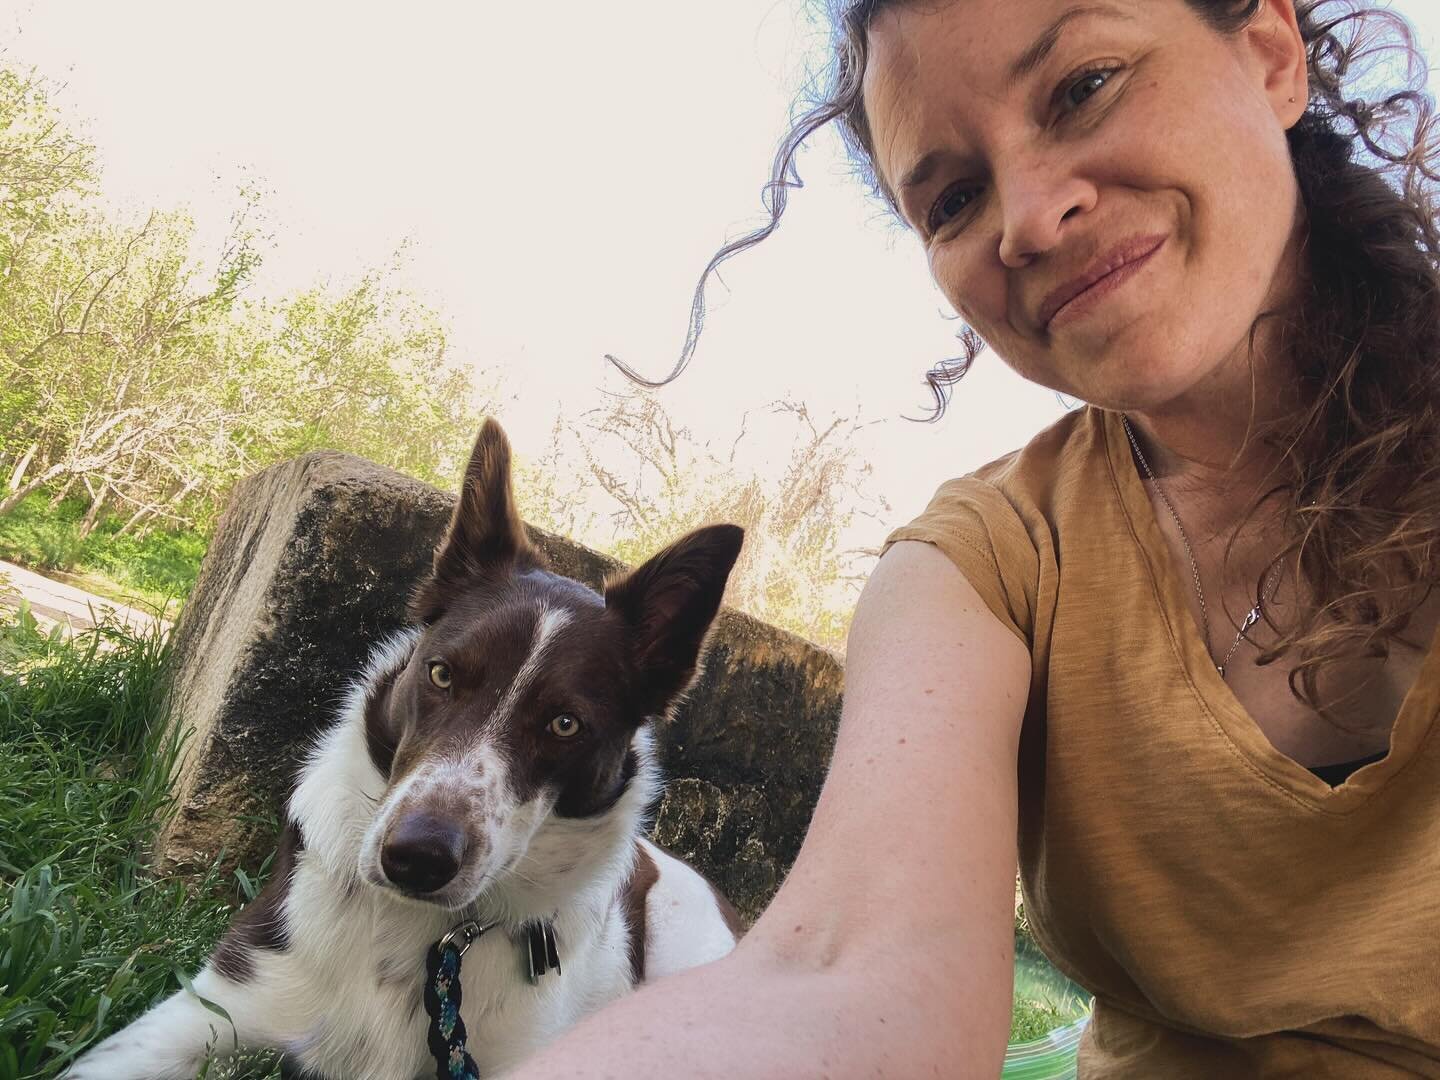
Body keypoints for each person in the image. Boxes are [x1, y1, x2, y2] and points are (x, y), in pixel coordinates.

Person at [515, 0, 1440, 1075]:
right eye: (955, 198)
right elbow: (846, 975)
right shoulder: (985, 560)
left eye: (1084, 86)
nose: (1031, 218)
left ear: (1273, 57)